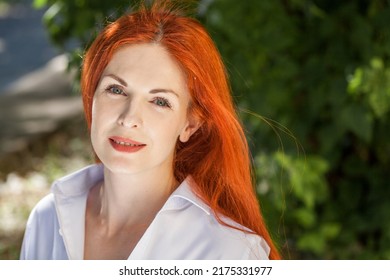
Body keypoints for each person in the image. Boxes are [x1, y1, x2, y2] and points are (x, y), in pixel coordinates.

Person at [20, 0, 280, 260]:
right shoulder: (48, 220)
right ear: (91, 96)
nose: (129, 118)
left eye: (159, 101)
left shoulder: (229, 252)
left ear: (189, 124)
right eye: (116, 90)